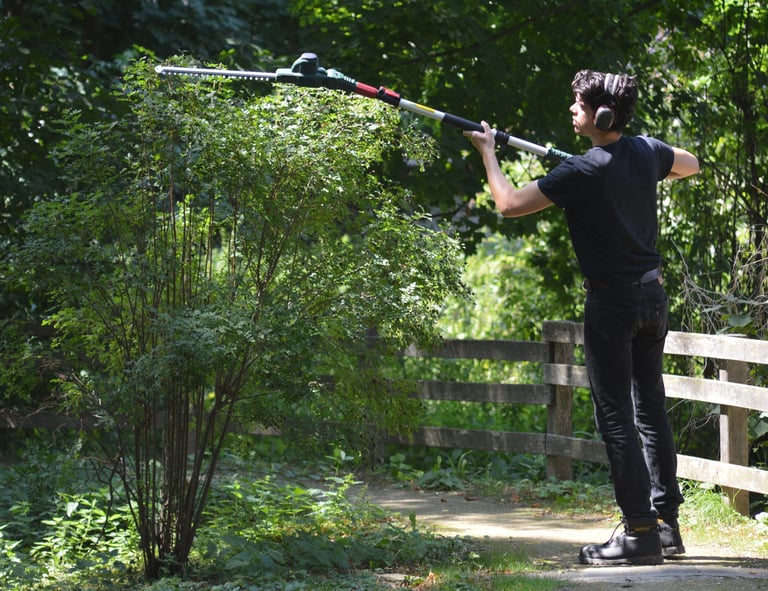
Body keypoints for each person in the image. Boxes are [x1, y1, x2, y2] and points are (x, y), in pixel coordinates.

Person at [464, 69, 700, 566]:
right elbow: (691, 165)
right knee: (650, 409)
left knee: (616, 417)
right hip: (652, 300)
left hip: (612, 305)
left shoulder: (582, 171)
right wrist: (636, 171)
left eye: (578, 103)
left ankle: (639, 533)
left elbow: (507, 204)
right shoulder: (644, 151)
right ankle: (665, 526)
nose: (572, 109)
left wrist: (488, 153)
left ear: (603, 114)